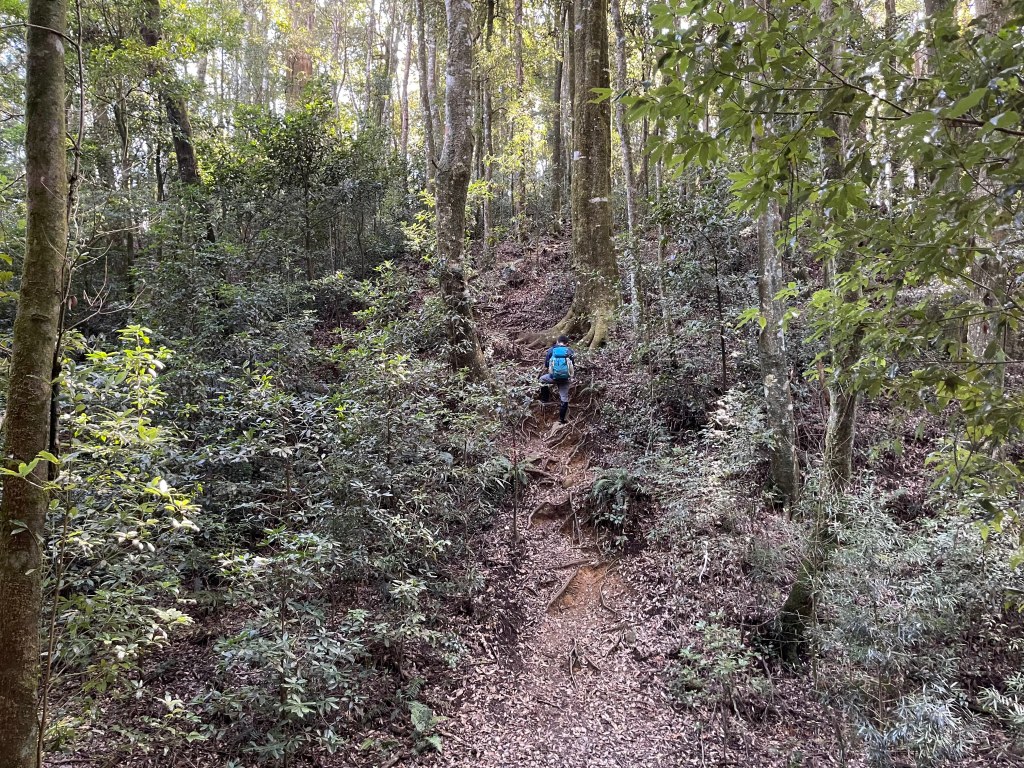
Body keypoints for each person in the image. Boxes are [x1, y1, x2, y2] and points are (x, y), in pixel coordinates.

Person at [539, 335, 576, 424]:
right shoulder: (570, 351)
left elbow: (546, 364)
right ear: (566, 343)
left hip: (553, 378)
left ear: (557, 341)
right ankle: (561, 420)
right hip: (565, 379)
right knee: (564, 398)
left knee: (542, 379)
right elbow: (572, 364)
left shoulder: (552, 350)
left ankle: (545, 399)